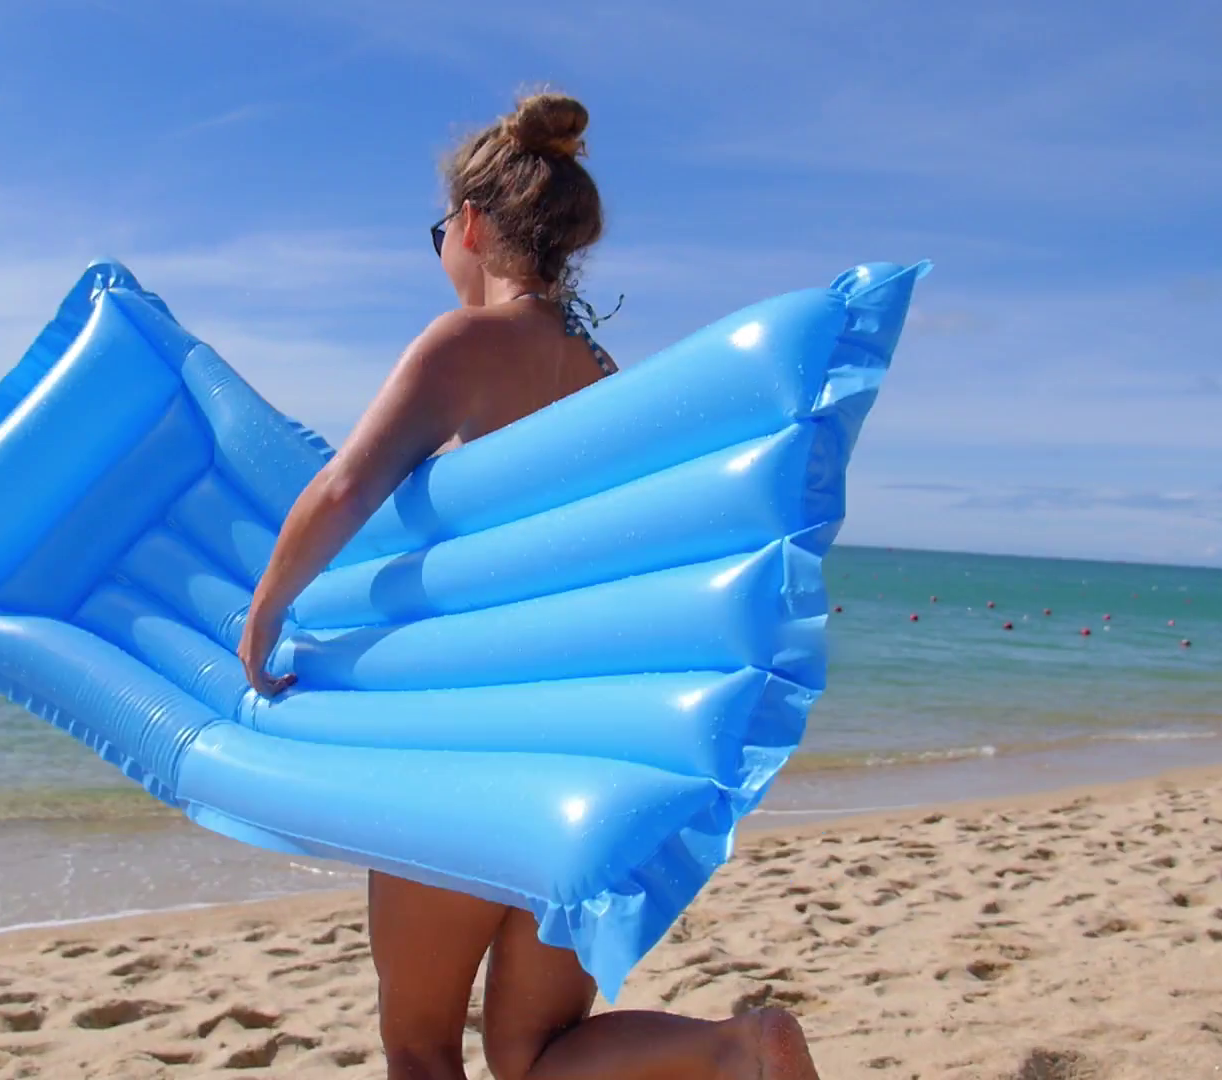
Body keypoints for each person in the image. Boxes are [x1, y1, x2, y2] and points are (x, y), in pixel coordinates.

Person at [237, 89, 823, 1080]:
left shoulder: (462, 345)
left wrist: (265, 612)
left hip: (462, 749)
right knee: (533, 1051)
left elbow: (342, 489)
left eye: (438, 232)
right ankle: (736, 1047)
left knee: (420, 1044)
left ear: (469, 224)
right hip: (585, 758)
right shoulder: (606, 377)